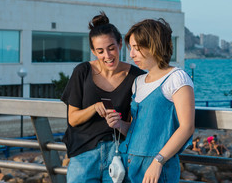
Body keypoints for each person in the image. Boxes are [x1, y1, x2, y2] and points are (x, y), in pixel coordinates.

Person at [61, 12, 144, 182]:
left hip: (120, 154)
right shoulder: (82, 72)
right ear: (93, 51)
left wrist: (120, 124)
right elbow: (73, 119)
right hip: (83, 156)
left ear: (120, 44)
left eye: (111, 48)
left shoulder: (138, 77)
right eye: (100, 51)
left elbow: (139, 126)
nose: (107, 56)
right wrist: (93, 108)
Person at [115, 18, 195, 182]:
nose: (131, 55)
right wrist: (119, 125)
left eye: (137, 48)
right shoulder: (138, 82)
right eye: (131, 48)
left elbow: (187, 127)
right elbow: (140, 130)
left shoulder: (176, 78)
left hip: (156, 169)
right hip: (128, 165)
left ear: (154, 45)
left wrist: (158, 161)